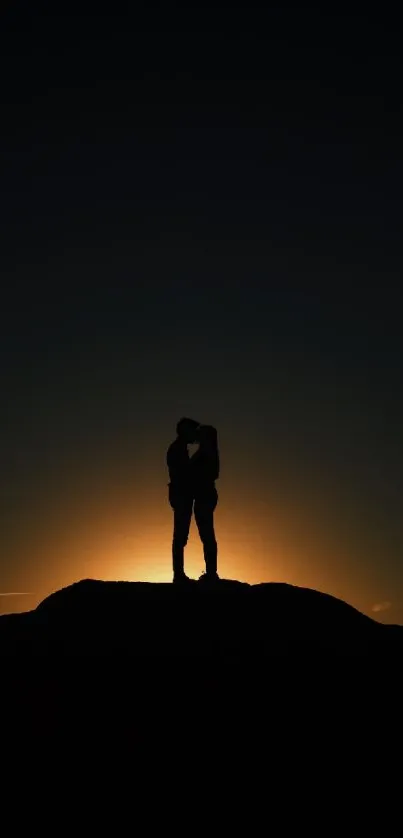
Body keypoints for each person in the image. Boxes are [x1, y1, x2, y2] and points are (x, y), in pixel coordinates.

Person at [166, 417, 200, 583]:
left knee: (181, 536)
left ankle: (178, 574)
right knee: (180, 536)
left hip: (180, 494)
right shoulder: (177, 449)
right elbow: (182, 474)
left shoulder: (180, 448)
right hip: (181, 495)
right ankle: (178, 574)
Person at [190, 424, 220, 582]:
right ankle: (211, 571)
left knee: (207, 534)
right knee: (206, 534)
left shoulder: (207, 453)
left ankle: (211, 572)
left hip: (205, 495)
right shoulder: (207, 452)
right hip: (205, 494)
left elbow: (212, 473)